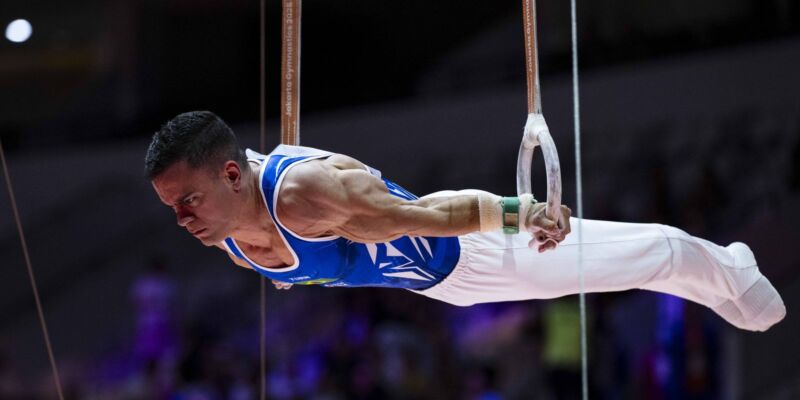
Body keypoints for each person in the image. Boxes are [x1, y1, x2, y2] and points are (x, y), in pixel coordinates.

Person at [145, 111, 785, 332]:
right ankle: (722, 277)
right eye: (171, 206)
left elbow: (426, 214)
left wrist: (521, 212)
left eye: (188, 202)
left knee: (655, 254)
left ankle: (732, 264)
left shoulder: (306, 198)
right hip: (443, 286)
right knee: (640, 268)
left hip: (474, 248)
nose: (180, 220)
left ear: (231, 176)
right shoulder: (229, 237)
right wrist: (289, 275)